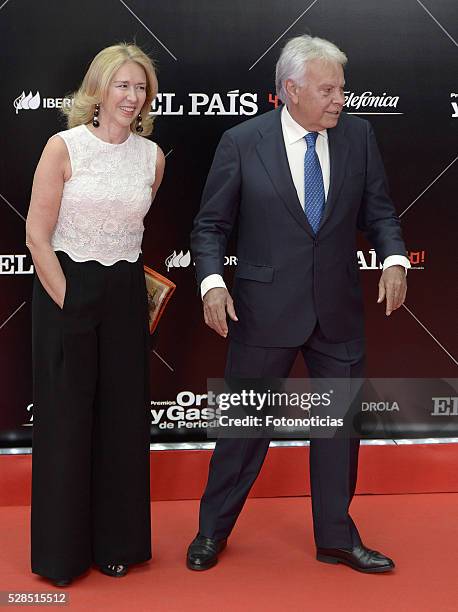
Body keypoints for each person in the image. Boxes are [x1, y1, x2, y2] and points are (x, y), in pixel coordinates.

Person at [188, 35, 409, 573]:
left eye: (342, 88)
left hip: (337, 309)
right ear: (291, 89)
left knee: (338, 431)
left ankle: (336, 536)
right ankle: (212, 532)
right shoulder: (242, 142)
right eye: (329, 89)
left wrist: (395, 258)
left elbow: (379, 211)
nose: (341, 99)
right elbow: (211, 226)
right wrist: (212, 283)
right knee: (244, 430)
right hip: (262, 310)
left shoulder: (359, 136)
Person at [25, 43, 165, 586]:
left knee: (122, 422)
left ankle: (118, 545)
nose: (132, 97)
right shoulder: (63, 147)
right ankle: (61, 556)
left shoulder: (152, 159)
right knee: (64, 422)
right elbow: (37, 236)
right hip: (66, 288)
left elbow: (135, 230)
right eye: (122, 85)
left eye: (140, 87)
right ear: (98, 90)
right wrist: (70, 302)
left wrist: (112, 300)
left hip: (125, 293)